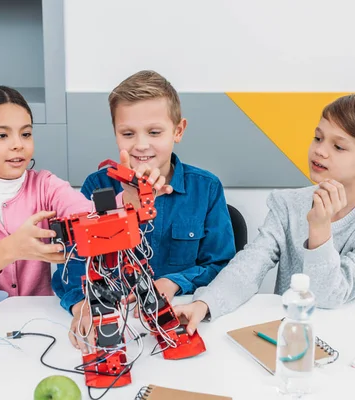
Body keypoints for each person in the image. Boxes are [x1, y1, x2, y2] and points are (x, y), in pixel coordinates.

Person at [174, 93, 355, 335]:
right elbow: (251, 265)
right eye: (318, 138)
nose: (320, 151)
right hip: (291, 331)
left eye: (338, 146)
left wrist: (320, 228)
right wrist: (204, 303)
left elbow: (327, 296)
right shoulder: (287, 203)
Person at [0, 85, 171, 296]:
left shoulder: (45, 185)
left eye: (26, 134)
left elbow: (93, 218)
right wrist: (11, 248)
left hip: (34, 318)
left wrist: (131, 196)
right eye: (1, 135)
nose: (18, 145)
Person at [54, 71, 235, 351]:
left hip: (179, 312)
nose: (140, 145)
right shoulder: (96, 186)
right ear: (115, 133)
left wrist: (173, 283)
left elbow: (222, 265)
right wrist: (81, 306)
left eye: (154, 132)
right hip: (112, 321)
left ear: (178, 130)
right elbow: (70, 267)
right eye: (128, 133)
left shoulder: (206, 189)